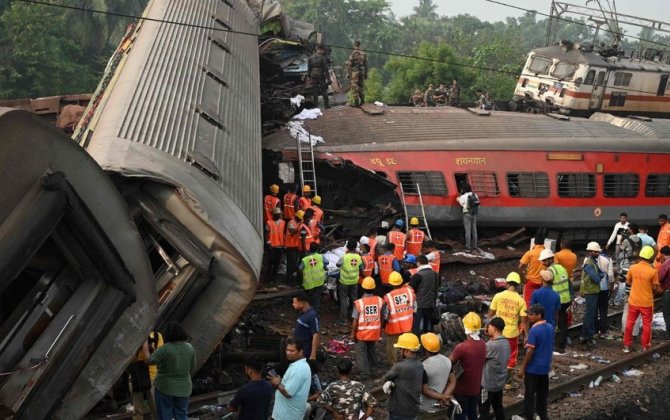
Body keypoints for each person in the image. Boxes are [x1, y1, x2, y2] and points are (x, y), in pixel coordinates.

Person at [145, 321, 196, 420]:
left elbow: (149, 361)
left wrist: (145, 346)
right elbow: (192, 367)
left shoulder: (165, 349)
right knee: (182, 414)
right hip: (184, 388)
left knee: (165, 415)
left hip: (165, 387)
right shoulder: (190, 348)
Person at [518, 305, 554, 420]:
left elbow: (529, 351)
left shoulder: (534, 330)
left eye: (532, 314)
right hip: (544, 369)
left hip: (533, 369)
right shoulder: (550, 327)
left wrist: (522, 368)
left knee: (529, 395)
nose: (529, 316)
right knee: (542, 396)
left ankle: (529, 417)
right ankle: (543, 416)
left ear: (539, 316)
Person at [623, 246, 661, 352]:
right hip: (646, 302)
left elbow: (628, 282)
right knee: (647, 324)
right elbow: (656, 288)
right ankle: (645, 346)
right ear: (650, 257)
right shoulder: (653, 271)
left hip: (633, 300)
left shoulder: (633, 268)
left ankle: (627, 345)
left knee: (630, 323)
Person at [449, 312, 486, 420]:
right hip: (475, 388)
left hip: (461, 390)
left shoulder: (462, 347)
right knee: (473, 414)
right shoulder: (483, 344)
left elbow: (449, 362)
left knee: (460, 416)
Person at [488, 272, 528, 369]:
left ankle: (494, 373)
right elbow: (524, 321)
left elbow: (490, 315)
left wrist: (488, 327)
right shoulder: (521, 300)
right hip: (511, 333)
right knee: (511, 356)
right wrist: (527, 335)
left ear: (507, 283)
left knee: (494, 354)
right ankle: (508, 381)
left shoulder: (498, 296)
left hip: (497, 331)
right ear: (518, 285)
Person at [382, 333, 426, 420]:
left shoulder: (400, 366)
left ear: (406, 351)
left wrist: (392, 382)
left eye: (400, 349)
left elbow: (385, 378)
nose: (399, 351)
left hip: (399, 411)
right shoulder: (420, 365)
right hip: (413, 409)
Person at [269, 338, 312, 420]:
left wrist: (277, 383)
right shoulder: (298, 365)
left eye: (292, 351)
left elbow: (288, 393)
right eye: (287, 350)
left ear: (300, 352)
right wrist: (280, 382)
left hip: (287, 416)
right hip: (286, 414)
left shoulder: (298, 369)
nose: (288, 353)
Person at [539, 249, 571, 353]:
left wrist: (542, 272)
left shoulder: (551, 270)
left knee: (553, 322)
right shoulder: (561, 268)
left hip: (557, 300)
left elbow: (545, 277)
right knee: (562, 323)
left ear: (550, 259)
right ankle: (561, 345)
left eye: (544, 260)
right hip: (566, 299)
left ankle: (557, 347)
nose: (543, 263)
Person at [383, 271, 417, 366]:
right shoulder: (410, 292)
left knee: (392, 347)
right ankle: (408, 362)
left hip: (394, 327)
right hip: (408, 324)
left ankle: (394, 365)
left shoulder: (388, 297)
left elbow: (386, 315)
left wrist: (383, 325)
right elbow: (414, 308)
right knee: (407, 345)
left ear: (390, 283)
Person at [351, 277, 383, 376]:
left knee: (361, 352)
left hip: (362, 333)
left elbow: (355, 321)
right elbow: (382, 316)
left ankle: (365, 372)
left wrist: (353, 334)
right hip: (374, 331)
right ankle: (374, 367)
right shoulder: (379, 300)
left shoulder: (359, 303)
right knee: (372, 349)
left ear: (363, 288)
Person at [419, 332, 456, 418]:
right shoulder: (447, 361)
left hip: (426, 407)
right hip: (442, 407)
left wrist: (442, 397)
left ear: (425, 349)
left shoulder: (424, 366)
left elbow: (425, 391)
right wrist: (444, 397)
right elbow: (452, 381)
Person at [480, 317, 510, 420]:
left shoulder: (491, 345)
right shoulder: (506, 342)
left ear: (495, 328)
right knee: (498, 407)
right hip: (499, 383)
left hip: (487, 384)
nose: (487, 328)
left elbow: (479, 359)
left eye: (489, 326)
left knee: (484, 410)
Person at [130, 331, 163, 420]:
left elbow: (160, 355)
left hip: (152, 375)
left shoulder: (156, 336)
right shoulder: (132, 338)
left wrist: (147, 347)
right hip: (137, 375)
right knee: (137, 409)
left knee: (155, 407)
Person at [580, 242, 605, 348]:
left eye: (598, 251)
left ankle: (586, 335)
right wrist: (600, 276)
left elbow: (601, 273)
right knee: (589, 315)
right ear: (590, 252)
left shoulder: (593, 262)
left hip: (593, 291)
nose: (597, 253)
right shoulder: (589, 264)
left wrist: (600, 275)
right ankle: (586, 336)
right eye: (595, 252)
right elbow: (597, 278)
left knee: (590, 314)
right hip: (590, 292)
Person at [410, 255, 440, 335]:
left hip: (420, 305)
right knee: (428, 327)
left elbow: (411, 289)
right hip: (431, 304)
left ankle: (419, 342)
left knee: (418, 327)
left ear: (419, 263)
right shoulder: (435, 274)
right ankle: (429, 343)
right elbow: (438, 286)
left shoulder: (418, 275)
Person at [615, 224, 642, 306]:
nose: (628, 230)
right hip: (636, 263)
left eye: (629, 229)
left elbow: (620, 249)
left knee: (622, 282)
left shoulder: (627, 240)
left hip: (626, 263)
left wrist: (621, 240)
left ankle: (618, 301)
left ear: (631, 230)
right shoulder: (640, 239)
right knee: (633, 282)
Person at [337, 240, 363, 322]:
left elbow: (337, 264)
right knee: (354, 299)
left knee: (343, 299)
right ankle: (354, 317)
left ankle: (343, 319)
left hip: (344, 281)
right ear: (355, 248)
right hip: (354, 280)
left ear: (347, 247)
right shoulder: (358, 257)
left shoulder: (344, 257)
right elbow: (361, 268)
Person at [519, 233, 546, 309]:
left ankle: (528, 319)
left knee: (528, 305)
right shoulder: (547, 253)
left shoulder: (530, 253)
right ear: (543, 243)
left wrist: (522, 278)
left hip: (530, 282)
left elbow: (520, 267)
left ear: (534, 242)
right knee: (541, 305)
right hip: (543, 282)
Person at [292, 291, 321, 361]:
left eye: (295, 303)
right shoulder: (302, 312)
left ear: (301, 304)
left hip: (305, 350)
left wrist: (313, 355)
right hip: (299, 347)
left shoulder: (312, 315)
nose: (293, 304)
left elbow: (316, 334)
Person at [299, 243, 326, 311]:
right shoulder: (321, 256)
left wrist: (304, 274)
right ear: (317, 249)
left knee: (308, 296)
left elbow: (300, 268)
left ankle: (307, 310)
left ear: (309, 249)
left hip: (309, 281)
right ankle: (315, 311)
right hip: (319, 279)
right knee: (317, 296)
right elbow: (326, 262)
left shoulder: (305, 259)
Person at [595, 248, 615, 339]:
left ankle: (595, 329)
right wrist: (612, 286)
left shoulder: (588, 259)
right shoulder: (608, 259)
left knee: (594, 309)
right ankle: (602, 330)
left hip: (593, 289)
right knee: (603, 309)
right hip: (604, 288)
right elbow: (610, 275)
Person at [265, 207, 285, 282]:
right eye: (278, 214)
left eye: (279, 214)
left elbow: (282, 233)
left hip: (280, 246)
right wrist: (268, 243)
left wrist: (284, 244)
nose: (279, 215)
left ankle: (273, 278)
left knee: (277, 264)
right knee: (270, 263)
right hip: (272, 246)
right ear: (274, 215)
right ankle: (267, 278)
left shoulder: (283, 222)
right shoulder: (269, 222)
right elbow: (267, 233)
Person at [285, 210, 305, 283]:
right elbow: (292, 232)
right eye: (300, 218)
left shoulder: (298, 222)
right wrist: (300, 226)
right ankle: (288, 280)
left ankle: (291, 280)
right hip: (290, 247)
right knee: (290, 264)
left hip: (296, 247)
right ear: (297, 217)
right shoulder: (291, 223)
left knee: (294, 264)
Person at [457, 184, 478, 253]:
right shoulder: (475, 195)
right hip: (474, 214)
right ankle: (475, 247)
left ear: (464, 189)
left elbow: (460, 203)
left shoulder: (463, 196)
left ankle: (468, 247)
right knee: (474, 231)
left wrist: (458, 198)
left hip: (467, 214)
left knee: (467, 231)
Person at [308, 44, 330, 109]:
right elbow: (326, 69)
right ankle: (327, 105)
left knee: (314, 90)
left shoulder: (310, 57)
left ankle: (315, 106)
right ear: (321, 50)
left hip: (313, 75)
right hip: (320, 75)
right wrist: (328, 78)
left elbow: (309, 68)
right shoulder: (322, 57)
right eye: (323, 50)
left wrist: (309, 77)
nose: (324, 52)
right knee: (323, 90)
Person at [346, 41, 367, 107]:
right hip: (362, 72)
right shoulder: (363, 53)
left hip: (355, 72)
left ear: (355, 45)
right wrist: (366, 73)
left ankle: (356, 102)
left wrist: (349, 73)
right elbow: (366, 64)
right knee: (361, 86)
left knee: (354, 86)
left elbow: (349, 65)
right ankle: (362, 100)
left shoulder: (353, 53)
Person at [658, 246, 670, 340]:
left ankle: (668, 332)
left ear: (662, 254)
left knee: (667, 312)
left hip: (668, 291)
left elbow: (660, 278)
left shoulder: (666, 264)